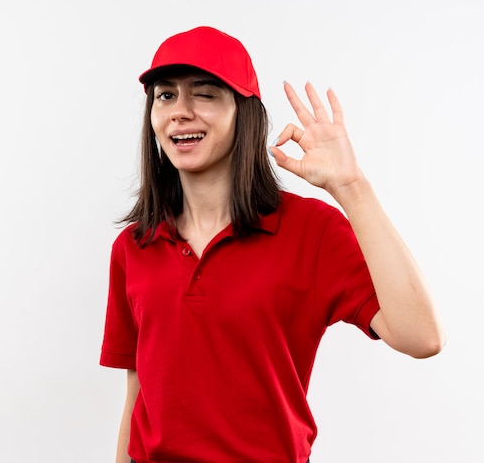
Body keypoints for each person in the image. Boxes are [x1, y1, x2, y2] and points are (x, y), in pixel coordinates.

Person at [100, 26, 445, 463]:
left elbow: (422, 337)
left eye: (204, 94)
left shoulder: (311, 230)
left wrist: (351, 187)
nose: (180, 112)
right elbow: (138, 391)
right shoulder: (134, 246)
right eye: (165, 95)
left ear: (243, 114)